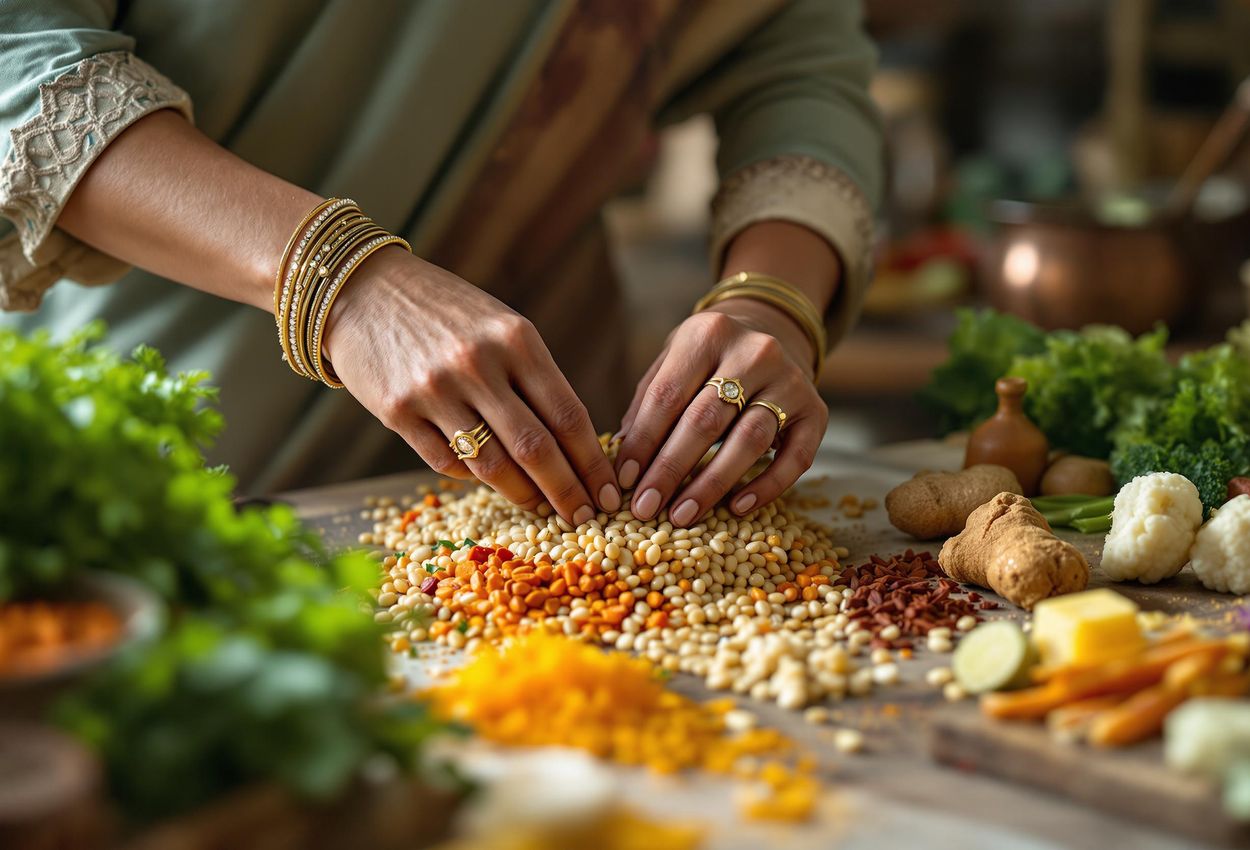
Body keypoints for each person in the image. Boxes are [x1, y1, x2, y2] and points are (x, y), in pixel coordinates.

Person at [0, 0, 882, 527]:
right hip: (169, 447)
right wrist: (339, 279)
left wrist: (772, 302)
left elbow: (799, 71)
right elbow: (21, 48)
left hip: (563, 471)